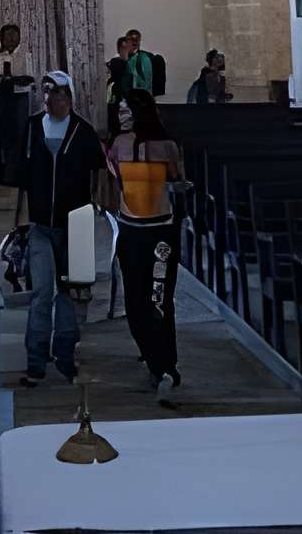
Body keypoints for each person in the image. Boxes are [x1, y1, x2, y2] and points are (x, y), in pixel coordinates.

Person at [13, 68, 107, 387]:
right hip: (40, 222)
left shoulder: (82, 132)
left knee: (68, 291)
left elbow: (98, 173)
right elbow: (22, 179)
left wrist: (93, 210)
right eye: (46, 92)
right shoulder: (32, 129)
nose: (50, 98)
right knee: (41, 292)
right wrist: (20, 222)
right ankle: (36, 362)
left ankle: (66, 358)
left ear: (68, 97)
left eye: (56, 92)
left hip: (73, 224)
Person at [105, 87, 184, 404]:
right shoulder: (118, 145)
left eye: (126, 111)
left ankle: (166, 364)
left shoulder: (166, 147)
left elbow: (177, 180)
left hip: (160, 234)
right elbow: (116, 185)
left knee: (158, 298)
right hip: (131, 231)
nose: (120, 116)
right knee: (137, 301)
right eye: (119, 110)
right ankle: (152, 355)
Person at [0, 19, 34, 184]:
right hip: (1, 100)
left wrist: (13, 80)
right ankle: (1, 172)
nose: (11, 39)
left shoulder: (26, 56)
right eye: (8, 36)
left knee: (18, 136)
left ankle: (15, 174)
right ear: (2, 39)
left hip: (19, 99)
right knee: (2, 136)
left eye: (14, 36)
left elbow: (31, 79)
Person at [111, 27, 166, 98]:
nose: (134, 44)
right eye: (131, 41)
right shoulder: (118, 60)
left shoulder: (146, 58)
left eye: (136, 42)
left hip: (143, 96)